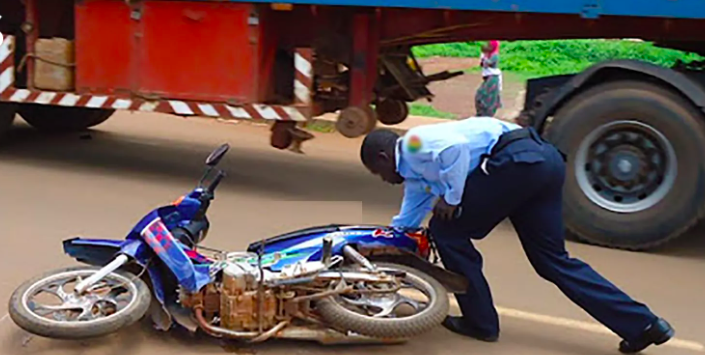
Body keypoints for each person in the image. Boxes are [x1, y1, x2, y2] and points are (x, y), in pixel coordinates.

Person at [358, 117, 674, 354]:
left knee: (447, 231)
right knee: (551, 261)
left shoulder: (413, 142)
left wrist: (452, 199)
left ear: (384, 158)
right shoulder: (415, 178)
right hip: (543, 163)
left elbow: (454, 150)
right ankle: (643, 324)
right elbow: (407, 222)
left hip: (517, 161)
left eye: (377, 173)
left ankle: (480, 323)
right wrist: (379, 244)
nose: (382, 180)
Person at [475, 40, 502, 117]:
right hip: (488, 78)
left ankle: (487, 114)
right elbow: (482, 65)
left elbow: (487, 64)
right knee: (481, 95)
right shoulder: (489, 55)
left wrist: (484, 57)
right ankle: (482, 113)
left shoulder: (494, 55)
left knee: (488, 97)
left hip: (493, 78)